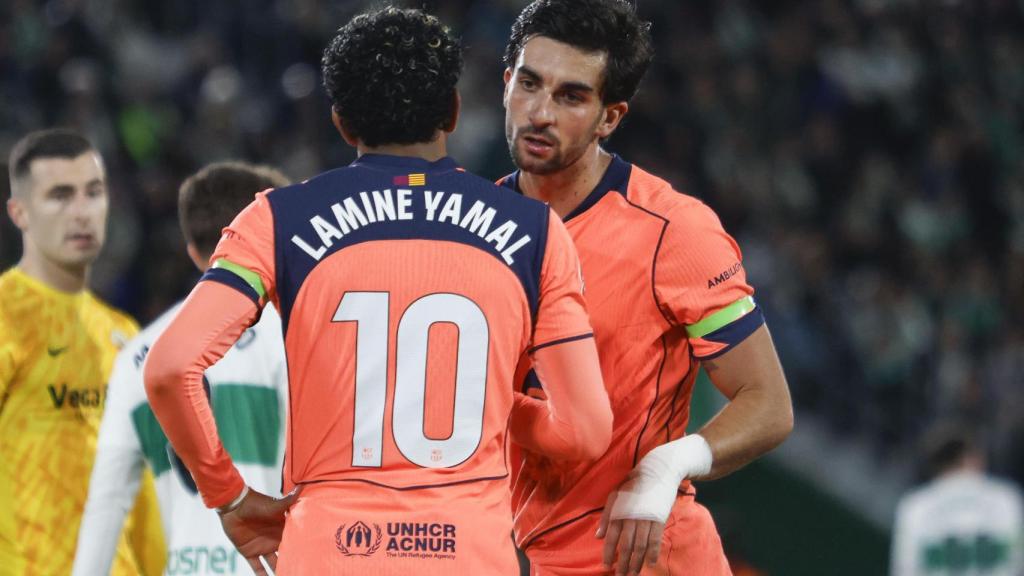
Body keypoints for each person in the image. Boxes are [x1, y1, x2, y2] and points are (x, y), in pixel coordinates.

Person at [143, 7, 613, 576]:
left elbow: (170, 369)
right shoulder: (536, 233)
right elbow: (585, 432)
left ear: (341, 123)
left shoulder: (277, 220)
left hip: (330, 552)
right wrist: (489, 400)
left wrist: (230, 496)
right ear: (454, 111)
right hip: (468, 556)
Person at [499, 1, 794, 574]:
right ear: (504, 82)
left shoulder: (673, 231)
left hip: (644, 554)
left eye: (571, 96)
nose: (540, 113)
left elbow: (769, 405)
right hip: (525, 556)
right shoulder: (473, 228)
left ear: (610, 117)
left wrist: (667, 466)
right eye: (529, 84)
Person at [72, 162, 292, 576]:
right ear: (273, 244)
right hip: (278, 563)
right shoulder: (293, 335)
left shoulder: (137, 354)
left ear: (194, 253)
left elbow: (107, 501)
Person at [0, 128, 165, 575]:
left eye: (93, 193)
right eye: (60, 195)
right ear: (20, 212)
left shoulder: (122, 331)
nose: (82, 212)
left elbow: (143, 485)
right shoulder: (6, 316)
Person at [891, 424, 1023, 576]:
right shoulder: (1006, 498)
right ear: (970, 457)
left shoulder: (916, 506)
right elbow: (1017, 559)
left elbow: (905, 569)